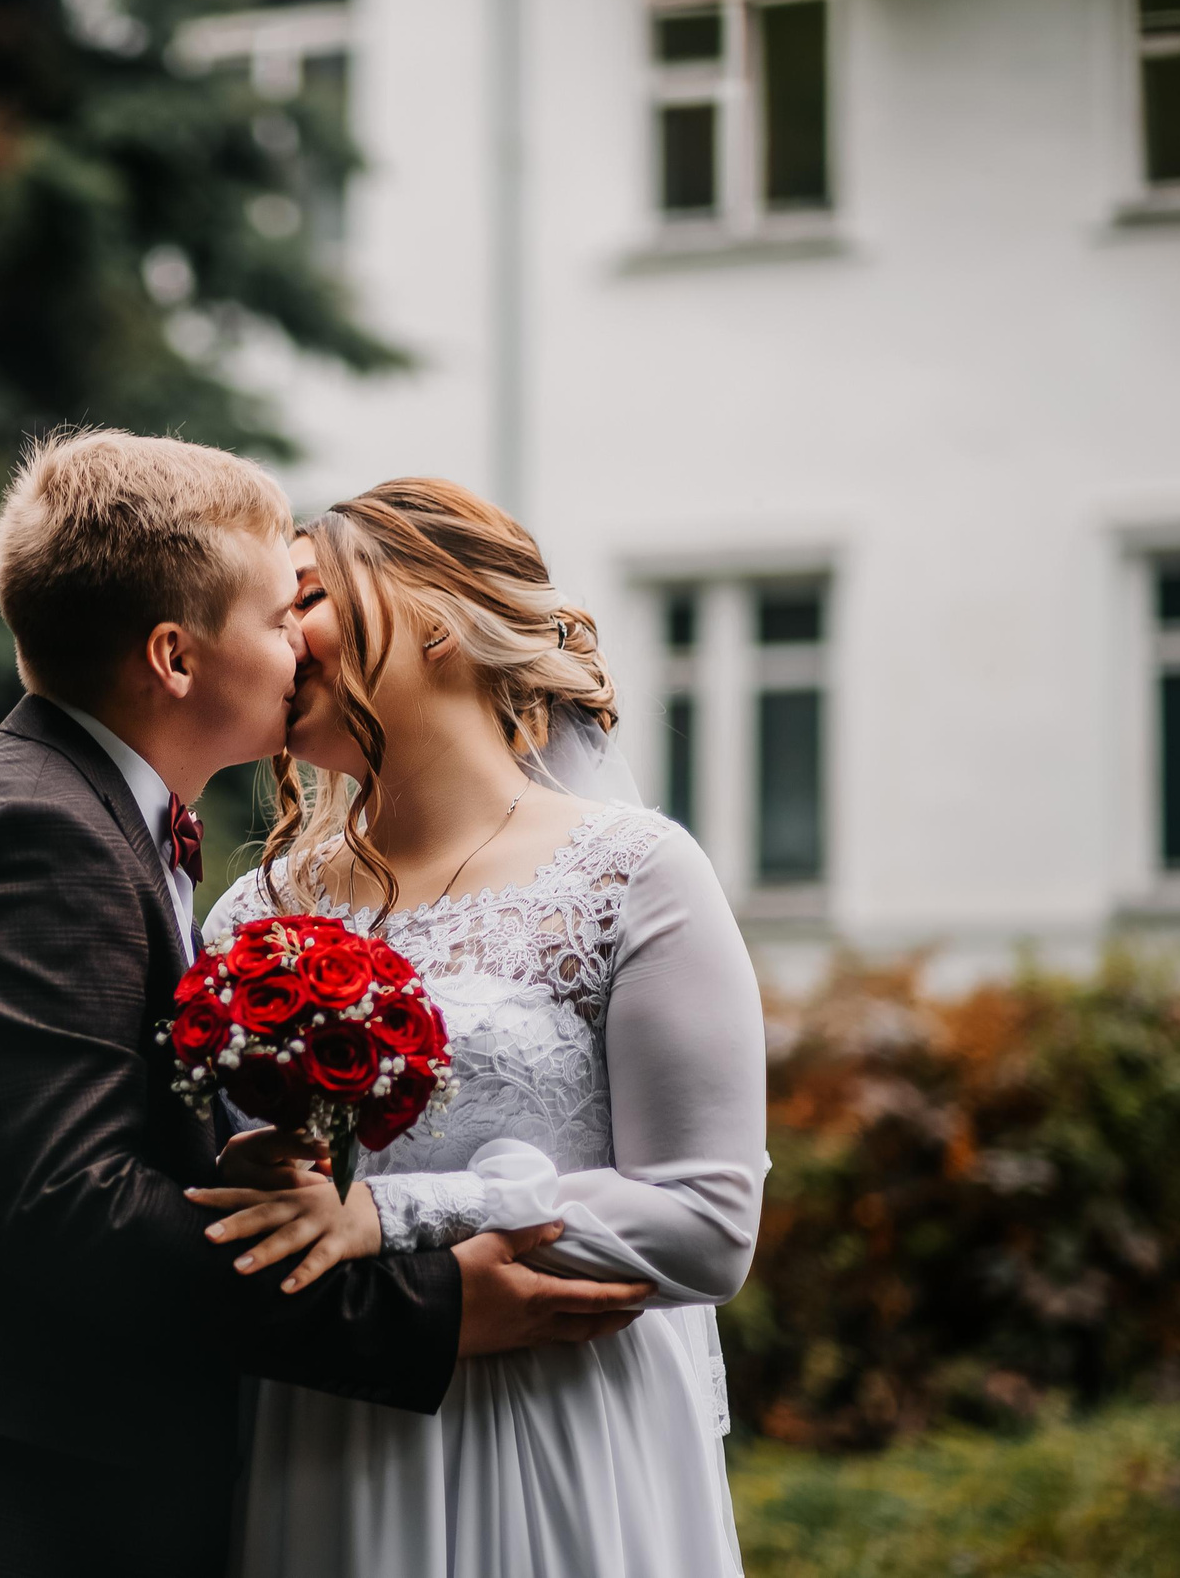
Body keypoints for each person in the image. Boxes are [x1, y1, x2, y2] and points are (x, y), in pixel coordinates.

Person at [0, 433, 652, 1578]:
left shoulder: (87, 823)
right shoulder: (31, 837)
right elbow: (78, 1215)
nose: (304, 646)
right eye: (282, 615)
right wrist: (425, 1310)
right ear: (177, 659)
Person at [189, 477, 769, 1577]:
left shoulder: (633, 874)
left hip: (563, 1437)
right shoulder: (253, 915)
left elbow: (707, 1221)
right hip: (328, 1433)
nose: (272, 638)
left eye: (302, 596)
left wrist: (386, 1216)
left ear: (435, 616)